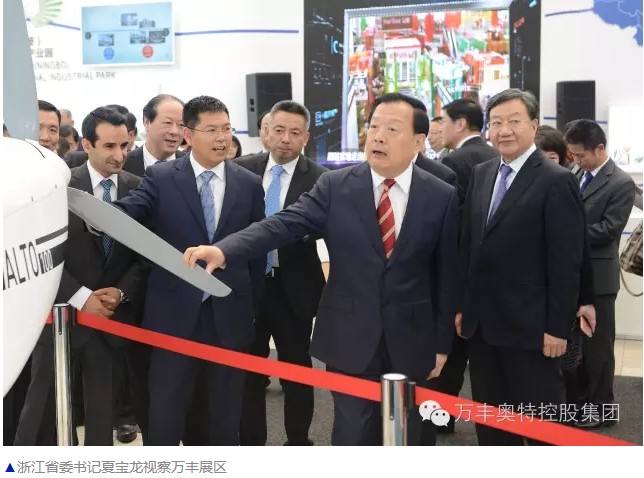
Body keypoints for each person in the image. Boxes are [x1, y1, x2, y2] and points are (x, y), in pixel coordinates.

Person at [184, 92, 460, 446]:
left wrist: (441, 344)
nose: (377, 137)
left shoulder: (440, 194)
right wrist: (225, 250)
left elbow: (446, 275)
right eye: (374, 127)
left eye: (392, 129)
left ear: (419, 142)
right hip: (350, 335)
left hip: (412, 338)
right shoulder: (335, 186)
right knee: (352, 434)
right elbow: (281, 224)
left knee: (405, 435)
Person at [111, 96, 266, 445]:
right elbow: (130, 211)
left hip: (229, 315)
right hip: (173, 316)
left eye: (226, 129)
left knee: (224, 415)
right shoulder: (162, 177)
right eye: (211, 130)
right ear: (188, 134)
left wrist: (249, 307)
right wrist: (99, 214)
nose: (222, 138)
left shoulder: (248, 183)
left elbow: (257, 253)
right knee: (166, 411)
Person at [455, 88, 586, 445]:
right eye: (497, 122)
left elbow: (566, 262)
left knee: (541, 426)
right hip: (483, 326)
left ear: (533, 125)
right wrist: (463, 306)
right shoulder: (482, 173)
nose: (504, 130)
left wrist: (558, 328)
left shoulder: (556, 180)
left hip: (532, 329)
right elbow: (469, 245)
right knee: (492, 424)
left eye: (514, 121)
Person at [15, 107, 148, 446]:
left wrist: (119, 293)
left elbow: (145, 255)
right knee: (40, 408)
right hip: (59, 317)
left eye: (125, 146)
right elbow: (41, 253)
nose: (120, 155)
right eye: (109, 146)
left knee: (101, 415)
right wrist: (81, 297)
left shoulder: (139, 188)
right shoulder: (56, 187)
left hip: (110, 320)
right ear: (86, 144)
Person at [235, 100, 327, 446]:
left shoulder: (321, 179)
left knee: (296, 370)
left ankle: (299, 442)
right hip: (248, 287)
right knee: (249, 371)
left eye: (295, 133)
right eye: (279, 130)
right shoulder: (241, 169)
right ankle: (251, 444)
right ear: (266, 131)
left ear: (306, 138)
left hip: (295, 290)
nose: (286, 139)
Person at [565, 119, 636, 429]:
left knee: (598, 350)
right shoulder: (576, 173)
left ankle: (603, 408)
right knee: (576, 348)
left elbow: (608, 230)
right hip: (572, 274)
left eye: (581, 154)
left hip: (599, 278)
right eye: (573, 154)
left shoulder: (620, 182)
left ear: (600, 149)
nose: (577, 160)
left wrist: (563, 231)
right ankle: (580, 403)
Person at [440, 98, 499, 204]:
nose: (440, 129)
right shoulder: (496, 154)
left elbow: (452, 207)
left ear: (460, 124)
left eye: (443, 122)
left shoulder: (453, 160)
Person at [122, 94, 186, 177]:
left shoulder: (192, 166)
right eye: (168, 122)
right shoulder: (122, 164)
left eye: (181, 125)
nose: (174, 131)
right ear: (147, 123)